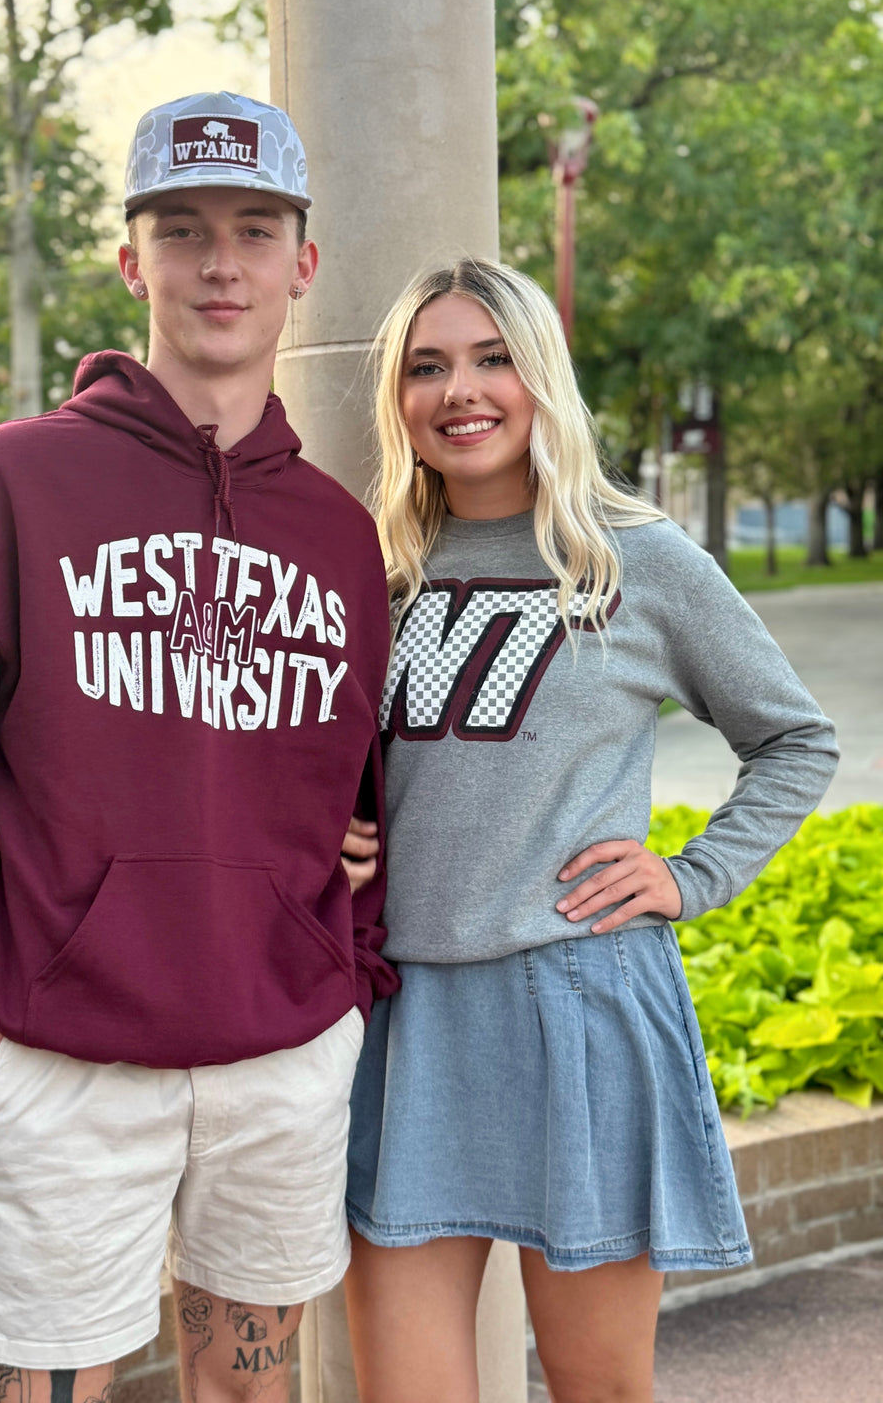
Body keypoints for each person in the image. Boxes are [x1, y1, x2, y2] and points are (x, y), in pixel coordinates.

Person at [0, 91, 399, 1403]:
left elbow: (365, 805)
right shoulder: (8, 484)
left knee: (250, 1391)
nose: (222, 262)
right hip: (60, 1064)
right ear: (132, 259)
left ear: (301, 264)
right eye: (184, 228)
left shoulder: (337, 535)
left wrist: (346, 982)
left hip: (280, 1055)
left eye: (256, 229)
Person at [339, 258, 839, 1403]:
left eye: (491, 356)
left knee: (599, 1389)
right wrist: (329, 837)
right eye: (426, 366)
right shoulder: (374, 571)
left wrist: (691, 874)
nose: (459, 390)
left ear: (540, 376)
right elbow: (319, 769)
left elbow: (795, 740)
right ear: (398, 399)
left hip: (582, 1006)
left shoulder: (636, 558)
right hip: (404, 1020)